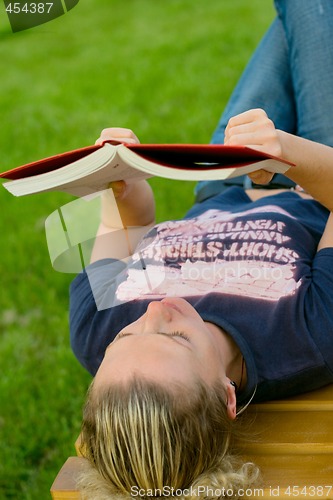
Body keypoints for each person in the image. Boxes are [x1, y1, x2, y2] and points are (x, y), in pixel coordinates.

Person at [70, 109, 333, 499]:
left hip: (218, 182)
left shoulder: (94, 328)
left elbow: (127, 225)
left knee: (282, 47)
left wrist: (121, 181)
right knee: (307, 44)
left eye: (124, 334)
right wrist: (286, 153)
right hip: (312, 176)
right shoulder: (308, 334)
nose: (156, 309)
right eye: (177, 337)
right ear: (227, 395)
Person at [195, 0, 333, 203]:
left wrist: (130, 182)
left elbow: (140, 222)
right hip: (318, 182)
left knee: (302, 15)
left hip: (221, 179)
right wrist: (283, 150)